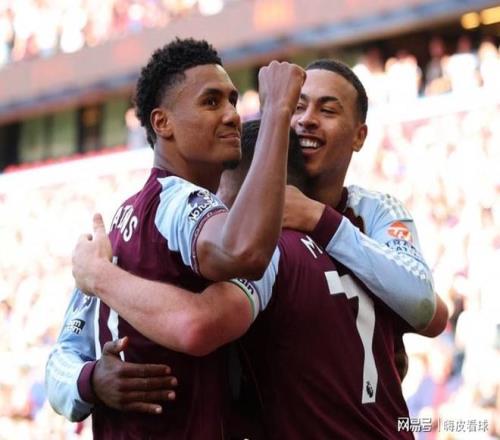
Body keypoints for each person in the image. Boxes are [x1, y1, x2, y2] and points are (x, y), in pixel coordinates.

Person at [71, 118, 446, 438]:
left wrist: (99, 275)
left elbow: (197, 324)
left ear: (255, 186)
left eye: (220, 192)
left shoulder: (270, 254)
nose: (214, 206)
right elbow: (433, 314)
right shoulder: (361, 251)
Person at [45, 37, 305, 439]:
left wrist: (89, 376)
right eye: (211, 102)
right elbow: (243, 250)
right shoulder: (179, 203)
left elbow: (63, 355)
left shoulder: (114, 232)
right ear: (162, 123)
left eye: (232, 100)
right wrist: (276, 113)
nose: (232, 115)